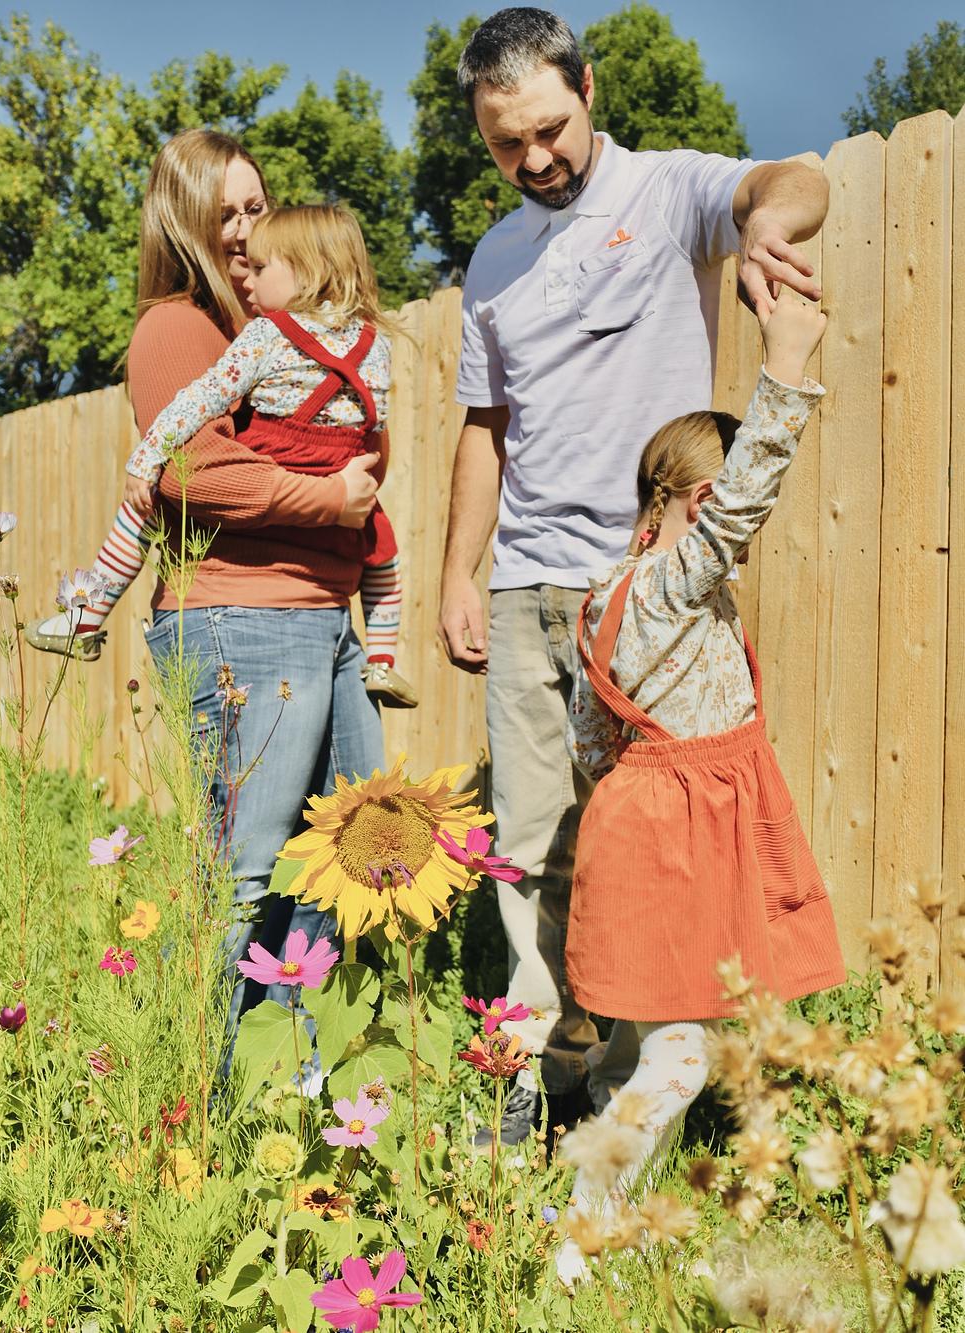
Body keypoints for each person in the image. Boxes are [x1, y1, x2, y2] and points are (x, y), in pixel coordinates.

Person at [437, 6, 830, 1147]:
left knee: (637, 852)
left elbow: (794, 179)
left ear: (587, 89)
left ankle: (622, 1079)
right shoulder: (493, 260)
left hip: (642, 598)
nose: (534, 158)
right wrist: (461, 571)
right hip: (526, 588)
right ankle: (532, 1069)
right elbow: (484, 430)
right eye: (506, 143)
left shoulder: (667, 194)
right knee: (529, 843)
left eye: (548, 129)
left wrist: (766, 226)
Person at [33, 129, 387, 1027]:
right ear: (179, 221)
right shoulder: (176, 326)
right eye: (221, 212)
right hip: (243, 618)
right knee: (246, 870)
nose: (241, 229)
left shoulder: (272, 332)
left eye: (255, 208)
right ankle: (197, 1070)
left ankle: (291, 1064)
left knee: (348, 859)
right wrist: (328, 499)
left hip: (323, 619)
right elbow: (197, 472)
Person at [556, 288, 846, 1284]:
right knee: (685, 1050)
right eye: (729, 511)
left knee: (655, 1033)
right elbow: (745, 495)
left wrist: (646, 793)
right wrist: (787, 362)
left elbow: (590, 734)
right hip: (680, 836)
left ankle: (602, 1169)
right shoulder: (676, 582)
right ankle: (581, 1228)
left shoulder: (609, 595)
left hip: (652, 818)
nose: (746, 533)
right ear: (696, 496)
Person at [25, 205, 416, 710]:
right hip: (343, 466)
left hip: (276, 455)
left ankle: (85, 616)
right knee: (382, 553)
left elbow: (201, 399)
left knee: (147, 508)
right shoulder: (375, 343)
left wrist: (147, 456)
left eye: (260, 268)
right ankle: (382, 660)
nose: (247, 280)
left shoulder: (268, 334)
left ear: (306, 271)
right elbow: (374, 430)